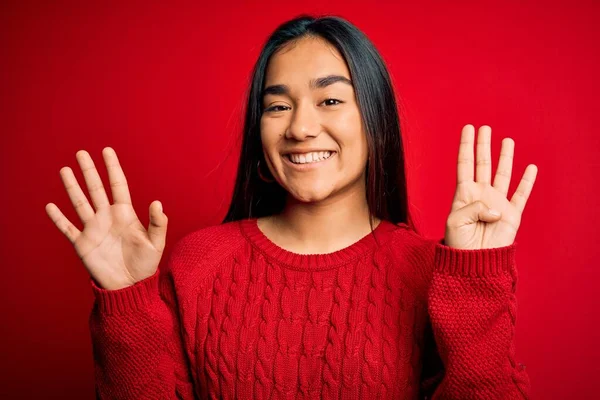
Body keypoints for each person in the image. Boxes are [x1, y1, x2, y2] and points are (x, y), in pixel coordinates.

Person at [45, 14, 537, 400]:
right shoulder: (199, 262)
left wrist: (476, 282)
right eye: (278, 106)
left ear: (376, 119)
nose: (299, 127)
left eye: (329, 101)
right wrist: (127, 300)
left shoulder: (428, 270)